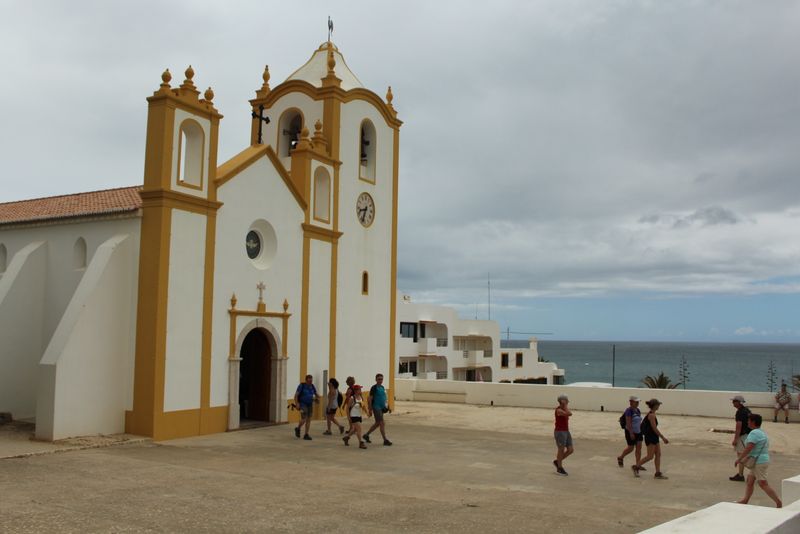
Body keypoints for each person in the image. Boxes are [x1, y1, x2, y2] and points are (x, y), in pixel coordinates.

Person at [735, 414, 782, 508]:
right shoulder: (761, 432)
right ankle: (745, 500)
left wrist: (739, 459)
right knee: (750, 481)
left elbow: (749, 447)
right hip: (760, 460)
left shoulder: (754, 433)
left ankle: (778, 502)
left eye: (748, 421)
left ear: (753, 422)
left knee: (762, 483)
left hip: (758, 461)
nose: (747, 422)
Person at [633, 398, 669, 479]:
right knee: (650, 456)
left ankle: (657, 473)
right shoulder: (651, 415)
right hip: (650, 437)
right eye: (658, 404)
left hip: (654, 437)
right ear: (655, 405)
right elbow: (654, 428)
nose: (659, 406)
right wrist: (663, 437)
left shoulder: (652, 414)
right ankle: (636, 466)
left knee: (658, 454)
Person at [364, 373, 392, 446]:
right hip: (376, 408)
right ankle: (385, 440)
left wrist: (388, 407)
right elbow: (370, 399)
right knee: (382, 423)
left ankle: (366, 435)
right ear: (376, 380)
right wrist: (370, 409)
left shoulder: (382, 387)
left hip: (382, 408)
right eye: (379, 379)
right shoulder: (374, 388)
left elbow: (385, 398)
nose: (380, 380)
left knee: (377, 423)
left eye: (381, 379)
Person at [617, 396, 644, 470]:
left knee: (639, 448)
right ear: (631, 402)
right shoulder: (628, 411)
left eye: (638, 402)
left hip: (639, 432)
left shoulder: (638, 410)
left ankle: (638, 464)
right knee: (631, 448)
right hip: (630, 432)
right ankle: (621, 457)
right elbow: (628, 423)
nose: (638, 403)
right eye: (636, 402)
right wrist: (631, 433)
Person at [729, 395, 751, 481]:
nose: (733, 403)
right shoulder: (747, 410)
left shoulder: (740, 412)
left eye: (735, 401)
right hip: (748, 434)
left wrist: (735, 439)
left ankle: (741, 475)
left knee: (741, 455)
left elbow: (739, 426)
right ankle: (742, 474)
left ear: (740, 402)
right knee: (744, 454)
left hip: (743, 436)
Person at [293, 374, 321, 440]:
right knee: (304, 419)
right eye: (309, 381)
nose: (310, 382)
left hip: (310, 404)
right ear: (306, 380)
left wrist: (317, 398)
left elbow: (316, 394)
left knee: (309, 419)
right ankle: (298, 428)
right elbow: (296, 395)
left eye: (311, 381)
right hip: (303, 404)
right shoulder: (302, 386)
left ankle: (306, 434)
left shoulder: (312, 386)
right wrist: (297, 404)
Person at [553, 394, 573, 476]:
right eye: (566, 400)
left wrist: (564, 405)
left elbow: (569, 413)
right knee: (561, 449)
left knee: (570, 450)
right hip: (560, 432)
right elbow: (569, 413)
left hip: (566, 431)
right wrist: (564, 405)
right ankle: (559, 468)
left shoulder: (564, 409)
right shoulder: (559, 410)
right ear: (562, 401)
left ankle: (557, 462)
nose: (568, 402)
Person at [342, 384, 367, 449]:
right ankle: (361, 443)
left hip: (359, 415)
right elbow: (347, 408)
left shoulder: (360, 397)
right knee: (359, 428)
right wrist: (348, 417)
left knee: (355, 429)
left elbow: (363, 406)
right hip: (353, 416)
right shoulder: (352, 398)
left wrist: (366, 412)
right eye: (359, 389)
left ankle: (346, 437)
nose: (361, 390)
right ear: (356, 390)